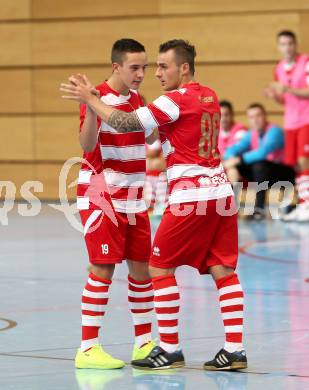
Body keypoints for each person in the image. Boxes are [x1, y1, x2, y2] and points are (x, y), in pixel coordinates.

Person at [61, 39, 247, 371]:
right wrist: (92, 103)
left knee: (154, 269)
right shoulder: (210, 95)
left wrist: (92, 99)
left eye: (159, 66)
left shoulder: (165, 101)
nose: (151, 73)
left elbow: (129, 124)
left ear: (184, 68)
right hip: (209, 192)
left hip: (180, 196)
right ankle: (234, 349)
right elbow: (103, 141)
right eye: (141, 67)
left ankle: (164, 347)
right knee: (222, 270)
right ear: (116, 67)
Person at [74, 39, 156, 370]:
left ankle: (143, 343)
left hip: (134, 195)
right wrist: (90, 104)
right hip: (101, 193)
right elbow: (86, 142)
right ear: (116, 67)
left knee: (141, 269)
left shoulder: (137, 99)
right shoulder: (96, 96)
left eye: (144, 67)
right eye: (134, 67)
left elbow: (150, 138)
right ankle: (88, 347)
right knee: (103, 267)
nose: (140, 74)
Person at [265, 30, 309, 222]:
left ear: (295, 44)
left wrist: (288, 89)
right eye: (283, 44)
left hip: (306, 119)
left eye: (290, 43)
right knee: (295, 165)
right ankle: (302, 203)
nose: (287, 48)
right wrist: (276, 96)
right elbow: (286, 100)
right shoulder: (279, 68)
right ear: (279, 47)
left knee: (303, 161)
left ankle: (307, 204)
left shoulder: (305, 62)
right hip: (290, 122)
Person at [223, 103, 295, 220]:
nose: (255, 120)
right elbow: (233, 149)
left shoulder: (274, 131)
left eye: (258, 116)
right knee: (234, 168)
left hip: (285, 173)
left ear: (265, 116)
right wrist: (230, 158)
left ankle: (259, 208)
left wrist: (237, 159)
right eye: (251, 117)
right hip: (264, 173)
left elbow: (263, 152)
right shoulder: (251, 134)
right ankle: (230, 208)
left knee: (259, 165)